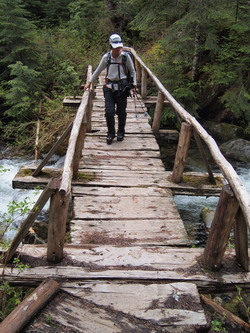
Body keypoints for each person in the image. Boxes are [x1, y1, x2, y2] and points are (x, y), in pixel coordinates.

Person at [84, 34, 137, 144]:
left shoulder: (125, 57)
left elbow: (132, 71)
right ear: (111, 46)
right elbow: (98, 70)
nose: (117, 49)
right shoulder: (106, 57)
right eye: (115, 47)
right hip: (109, 87)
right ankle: (111, 133)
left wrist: (133, 85)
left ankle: (121, 132)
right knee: (109, 112)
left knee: (121, 112)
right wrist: (89, 82)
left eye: (119, 47)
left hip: (122, 88)